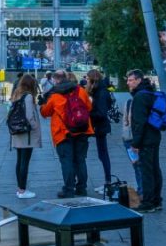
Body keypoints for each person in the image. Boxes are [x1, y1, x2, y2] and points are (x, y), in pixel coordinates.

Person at [40, 70, 93, 198]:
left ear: (56, 80)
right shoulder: (80, 90)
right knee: (80, 160)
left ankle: (69, 190)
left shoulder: (54, 95)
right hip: (82, 130)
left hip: (63, 133)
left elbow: (45, 112)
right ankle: (81, 188)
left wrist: (42, 103)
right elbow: (89, 107)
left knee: (66, 161)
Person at [126, 70, 164, 212]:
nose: (128, 83)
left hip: (146, 139)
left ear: (138, 80)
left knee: (147, 171)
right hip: (154, 136)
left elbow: (139, 123)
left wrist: (136, 143)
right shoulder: (150, 93)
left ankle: (148, 203)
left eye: (130, 80)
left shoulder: (140, 97)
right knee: (154, 169)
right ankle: (157, 200)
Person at [7, 74, 42, 199]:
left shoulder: (16, 94)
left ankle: (19, 188)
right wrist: (35, 126)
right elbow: (29, 116)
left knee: (19, 161)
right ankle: (22, 190)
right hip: (26, 134)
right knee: (24, 162)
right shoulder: (28, 97)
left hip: (17, 132)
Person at [86, 68, 116, 187]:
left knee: (103, 154)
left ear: (93, 79)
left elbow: (101, 112)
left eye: (88, 79)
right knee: (102, 153)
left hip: (100, 126)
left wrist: (88, 114)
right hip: (99, 126)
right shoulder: (99, 90)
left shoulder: (101, 92)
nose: (86, 81)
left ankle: (108, 182)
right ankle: (107, 181)